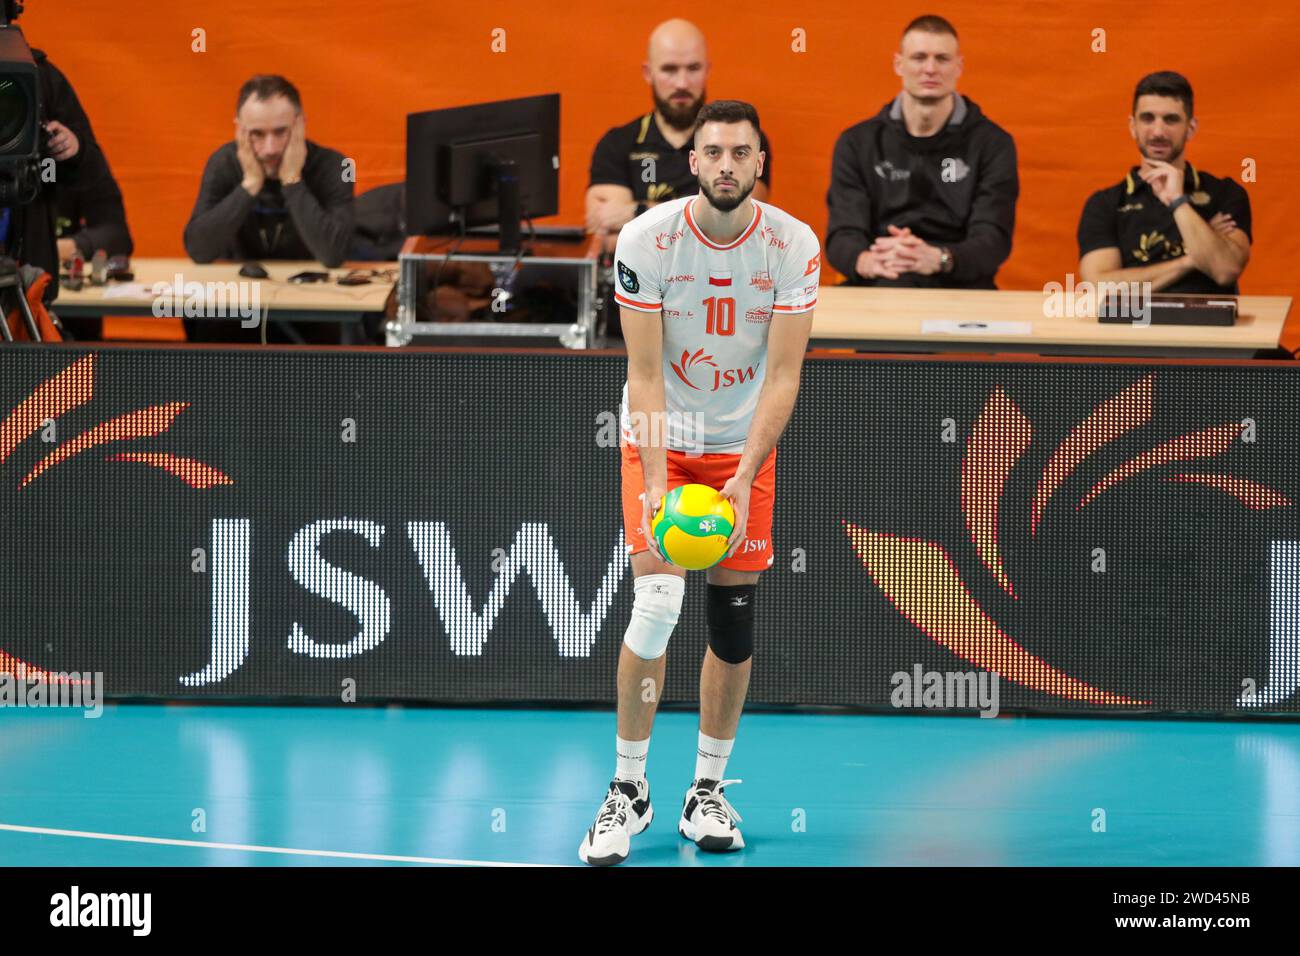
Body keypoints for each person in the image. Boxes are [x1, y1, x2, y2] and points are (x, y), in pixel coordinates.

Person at [578, 100, 819, 866]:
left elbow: (784, 374)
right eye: (712, 151)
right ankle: (628, 790)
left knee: (732, 619)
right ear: (693, 160)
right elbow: (643, 372)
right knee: (656, 600)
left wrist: (746, 475)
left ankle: (706, 790)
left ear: (759, 163)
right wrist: (654, 480)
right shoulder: (648, 240)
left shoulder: (792, 244)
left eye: (740, 153)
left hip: (742, 443)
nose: (725, 164)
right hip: (665, 437)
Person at [587, 18, 773, 337]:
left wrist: (637, 212)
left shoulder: (742, 141)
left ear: (708, 69)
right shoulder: (617, 144)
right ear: (648, 72)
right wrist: (701, 221)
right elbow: (611, 237)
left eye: (693, 68)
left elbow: (734, 225)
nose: (682, 82)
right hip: (634, 309)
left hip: (723, 307)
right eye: (670, 69)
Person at [824, 15, 1018, 288]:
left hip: (963, 289)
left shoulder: (993, 144)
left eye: (942, 58)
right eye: (918, 57)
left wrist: (939, 258)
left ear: (959, 66)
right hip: (881, 281)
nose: (930, 69)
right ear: (899, 64)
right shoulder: (857, 142)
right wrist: (867, 261)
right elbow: (842, 235)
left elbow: (993, 239)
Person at [182, 75, 353, 342]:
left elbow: (333, 254)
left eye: (281, 132)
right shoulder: (223, 163)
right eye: (257, 134)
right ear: (239, 130)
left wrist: (292, 181)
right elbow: (199, 251)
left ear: (301, 125)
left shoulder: (338, 166)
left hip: (312, 314)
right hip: (236, 312)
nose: (270, 148)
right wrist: (249, 185)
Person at [1077, 71, 1250, 295]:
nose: (1158, 132)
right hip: (1132, 328)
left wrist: (1178, 202)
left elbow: (1225, 269)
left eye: (1171, 119)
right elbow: (1100, 288)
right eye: (1147, 118)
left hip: (1208, 327)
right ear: (1132, 126)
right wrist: (1190, 260)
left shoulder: (1225, 193)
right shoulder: (1104, 204)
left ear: (1191, 128)